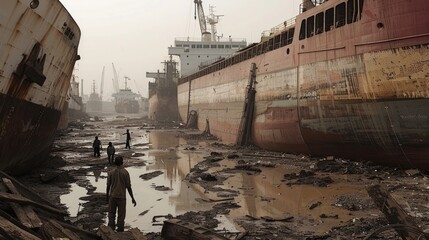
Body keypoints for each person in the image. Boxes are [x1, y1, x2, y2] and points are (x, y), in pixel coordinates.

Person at [106, 156, 136, 232]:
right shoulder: (125, 173)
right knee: (121, 216)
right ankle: (120, 232)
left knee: (111, 215)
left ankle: (111, 231)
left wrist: (107, 197)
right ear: (122, 162)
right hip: (122, 197)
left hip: (112, 196)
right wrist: (132, 198)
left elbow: (108, 186)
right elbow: (128, 187)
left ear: (115, 163)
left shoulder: (111, 173)